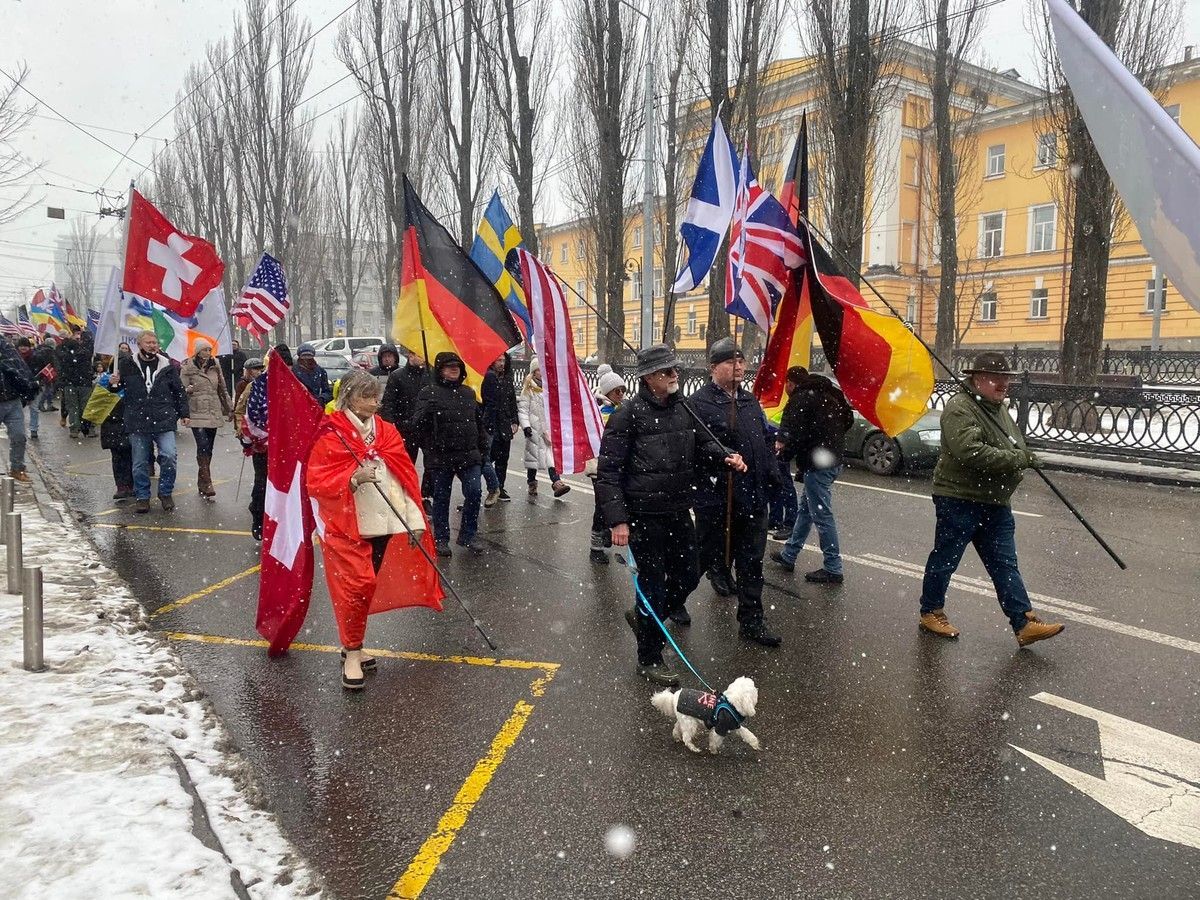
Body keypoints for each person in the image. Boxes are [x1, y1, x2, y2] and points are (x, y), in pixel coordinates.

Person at [595, 344, 746, 686]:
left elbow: (703, 445)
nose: (675, 376)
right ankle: (648, 658)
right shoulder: (627, 414)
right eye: (667, 372)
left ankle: (648, 617)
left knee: (690, 574)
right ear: (649, 378)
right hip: (644, 516)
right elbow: (609, 472)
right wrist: (617, 520)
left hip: (679, 509)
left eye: (675, 369)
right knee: (652, 585)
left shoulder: (683, 408)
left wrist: (725, 456)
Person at [306, 370, 443, 690]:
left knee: (364, 588)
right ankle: (352, 652)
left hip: (384, 522)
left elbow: (403, 478)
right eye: (367, 396)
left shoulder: (386, 431)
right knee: (357, 586)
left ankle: (352, 644)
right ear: (350, 397)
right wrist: (352, 478)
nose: (374, 402)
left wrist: (415, 520)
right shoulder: (332, 434)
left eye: (376, 396)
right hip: (347, 526)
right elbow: (316, 481)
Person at [918, 352, 1064, 647]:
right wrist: (1018, 460)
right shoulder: (961, 407)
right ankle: (930, 612)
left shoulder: (997, 409)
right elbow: (969, 451)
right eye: (995, 378)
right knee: (946, 559)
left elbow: (1013, 445)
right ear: (976, 379)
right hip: (960, 497)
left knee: (1004, 564)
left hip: (995, 501)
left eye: (1006, 378)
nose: (1003, 383)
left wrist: (1021, 458)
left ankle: (1023, 623)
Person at [689, 338, 782, 646]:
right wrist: (722, 456)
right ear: (714, 368)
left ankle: (752, 620)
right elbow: (698, 448)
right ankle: (663, 607)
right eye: (730, 361)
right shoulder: (699, 404)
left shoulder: (748, 401)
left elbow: (763, 440)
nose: (739, 366)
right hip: (718, 500)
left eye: (741, 361)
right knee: (701, 560)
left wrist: (772, 470)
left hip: (753, 498)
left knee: (752, 562)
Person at [770, 366, 854, 585]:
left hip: (818, 464)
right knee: (806, 510)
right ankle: (789, 554)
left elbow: (794, 434)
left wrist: (784, 455)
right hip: (833, 459)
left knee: (822, 516)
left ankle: (833, 568)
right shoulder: (829, 392)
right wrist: (831, 438)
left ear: (790, 383)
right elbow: (848, 419)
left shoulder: (800, 399)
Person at [408, 351, 488, 557]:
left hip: (468, 455)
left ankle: (468, 535)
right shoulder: (428, 393)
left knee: (474, 492)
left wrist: (483, 449)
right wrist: (427, 411)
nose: (454, 369)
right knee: (442, 499)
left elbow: (478, 424)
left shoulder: (468, 393)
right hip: (440, 456)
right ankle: (441, 539)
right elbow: (416, 426)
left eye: (457, 366)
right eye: (449, 366)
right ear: (440, 370)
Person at [108, 330, 190, 513]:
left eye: (155, 342)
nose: (153, 345)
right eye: (148, 343)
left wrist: (184, 413)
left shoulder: (167, 365)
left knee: (169, 456)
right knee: (139, 462)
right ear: (139, 344)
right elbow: (116, 389)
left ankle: (166, 492)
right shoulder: (127, 364)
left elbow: (178, 391)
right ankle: (142, 496)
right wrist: (113, 383)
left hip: (163, 418)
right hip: (137, 419)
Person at [180, 343, 232, 499]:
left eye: (210, 350)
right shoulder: (188, 367)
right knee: (202, 445)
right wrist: (187, 390)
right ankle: (208, 481)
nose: (208, 352)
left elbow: (222, 387)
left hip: (213, 411)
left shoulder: (214, 365)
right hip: (197, 412)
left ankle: (202, 479)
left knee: (208, 448)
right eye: (205, 350)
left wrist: (229, 408)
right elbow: (179, 389)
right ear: (197, 352)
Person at [588, 369, 626, 564]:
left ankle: (605, 533)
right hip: (600, 468)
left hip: (619, 467)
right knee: (602, 506)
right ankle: (595, 547)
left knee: (615, 504)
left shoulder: (623, 410)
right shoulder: (602, 413)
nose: (620, 394)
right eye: (616, 391)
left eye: (622, 390)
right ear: (608, 392)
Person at [518, 357, 570, 498]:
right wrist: (526, 426)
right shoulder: (528, 390)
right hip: (534, 430)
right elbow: (522, 410)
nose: (541, 372)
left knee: (550, 458)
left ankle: (556, 483)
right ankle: (532, 483)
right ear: (533, 372)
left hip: (547, 430)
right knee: (533, 460)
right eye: (538, 370)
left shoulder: (549, 388)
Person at [233, 356, 269, 540]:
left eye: (259, 368)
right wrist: (244, 431)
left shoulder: (283, 386)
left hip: (280, 445)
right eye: (253, 369)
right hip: (260, 442)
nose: (257, 371)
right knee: (262, 482)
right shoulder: (252, 387)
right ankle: (258, 515)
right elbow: (240, 410)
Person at [381, 346, 433, 466]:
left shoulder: (430, 376)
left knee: (431, 467)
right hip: (405, 427)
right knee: (406, 464)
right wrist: (389, 425)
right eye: (419, 355)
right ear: (410, 355)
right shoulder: (398, 376)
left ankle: (427, 485)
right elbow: (388, 402)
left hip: (427, 427)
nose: (422, 359)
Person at [479, 353, 516, 507]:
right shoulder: (487, 377)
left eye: (503, 360)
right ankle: (489, 488)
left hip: (504, 424)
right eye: (498, 360)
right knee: (486, 459)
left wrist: (515, 420)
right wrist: (485, 422)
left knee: (503, 458)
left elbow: (512, 400)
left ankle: (500, 486)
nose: (501, 363)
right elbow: (486, 402)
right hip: (491, 425)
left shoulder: (507, 379)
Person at [0, 336, 39, 483]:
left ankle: (17, 468)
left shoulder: (5, 345)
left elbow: (20, 367)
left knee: (19, 436)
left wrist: (29, 386)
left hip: (12, 399)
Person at [57, 326, 94, 438]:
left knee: (78, 407)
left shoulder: (72, 349)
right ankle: (82, 428)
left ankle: (80, 428)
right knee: (79, 407)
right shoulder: (70, 349)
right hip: (76, 382)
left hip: (77, 382)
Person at [35, 336, 58, 412]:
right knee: (48, 389)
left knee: (48, 389)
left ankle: (49, 404)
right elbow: (52, 362)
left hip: (42, 372)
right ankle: (42, 404)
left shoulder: (39, 350)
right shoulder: (49, 352)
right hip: (47, 372)